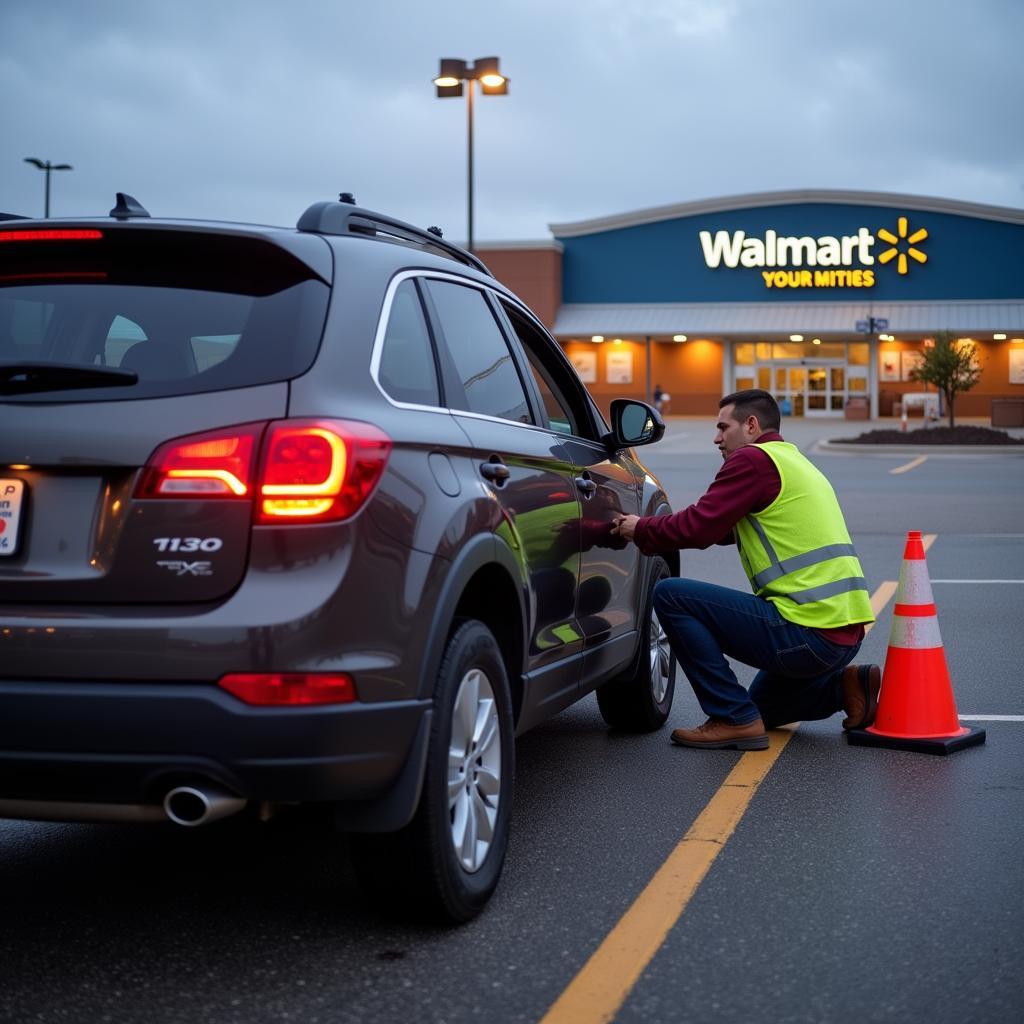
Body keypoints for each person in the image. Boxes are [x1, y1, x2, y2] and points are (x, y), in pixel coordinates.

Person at [610, 388, 879, 750]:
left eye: (724, 427)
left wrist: (638, 528)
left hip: (805, 632)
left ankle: (730, 719)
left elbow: (698, 527)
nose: (716, 438)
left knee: (672, 595)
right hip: (842, 637)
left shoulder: (751, 461)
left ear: (751, 425)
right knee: (762, 709)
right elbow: (721, 528)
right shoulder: (791, 460)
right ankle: (845, 688)